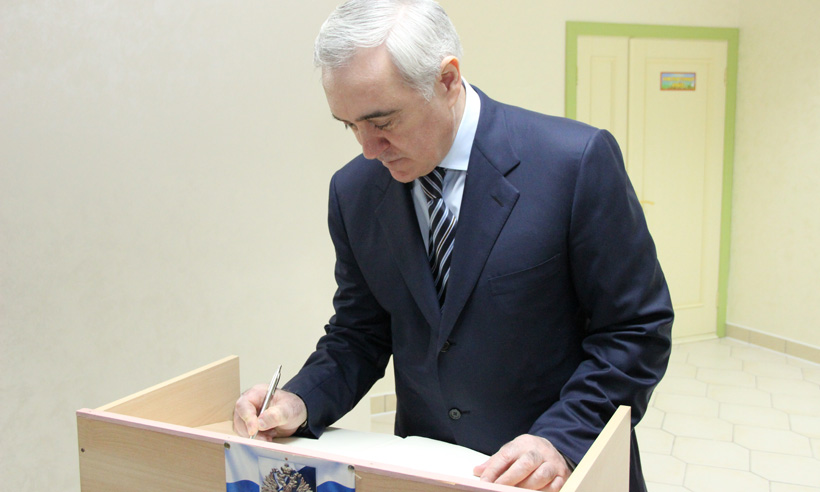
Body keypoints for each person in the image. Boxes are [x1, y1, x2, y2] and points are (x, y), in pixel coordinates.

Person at [234, 1, 673, 491]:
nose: (368, 149)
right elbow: (360, 333)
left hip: (557, 472)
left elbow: (636, 329)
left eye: (383, 122)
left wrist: (563, 438)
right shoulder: (354, 191)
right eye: (349, 125)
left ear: (446, 80)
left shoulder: (573, 162)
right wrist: (300, 399)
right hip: (432, 472)